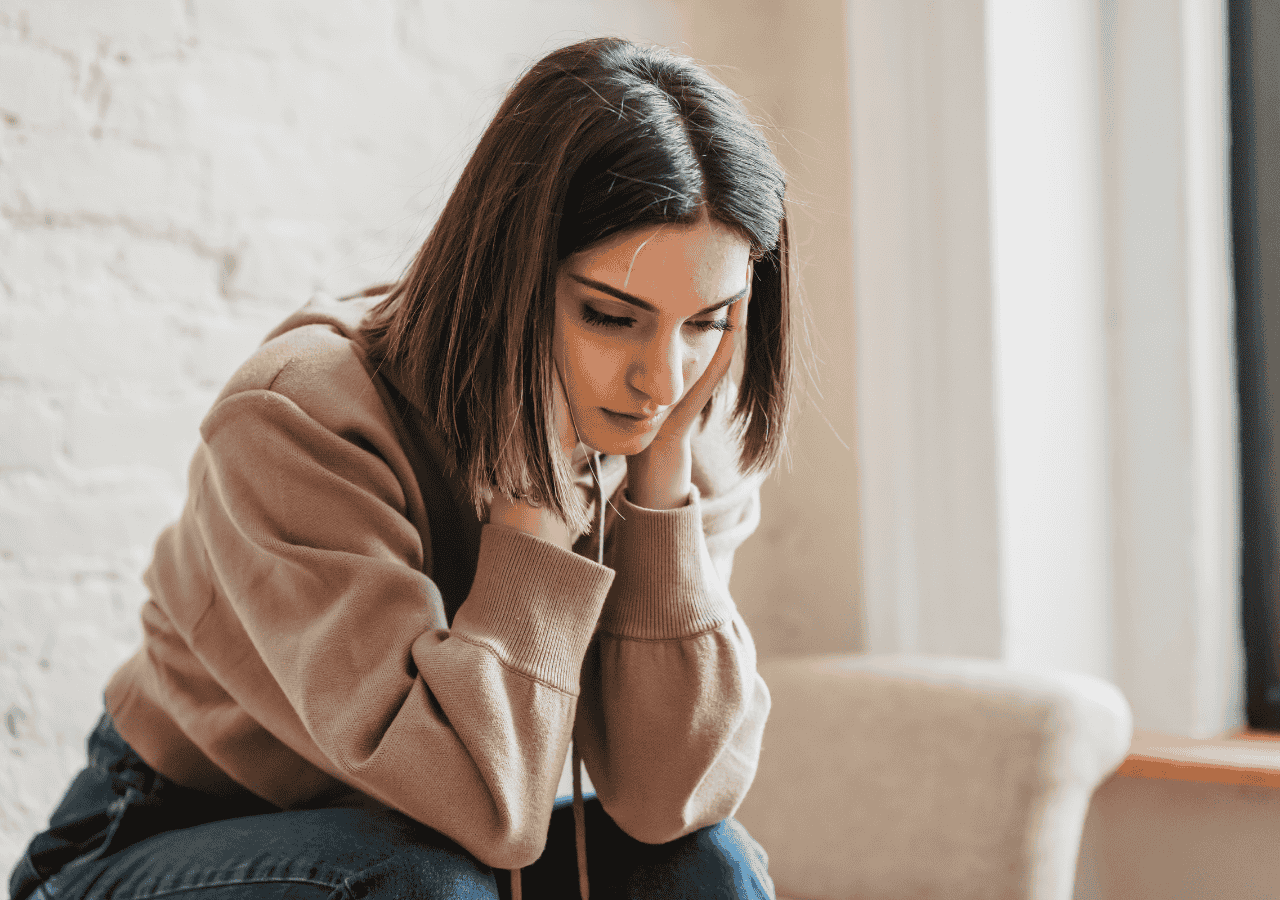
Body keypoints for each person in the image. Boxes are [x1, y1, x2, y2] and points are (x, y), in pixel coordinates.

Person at [10, 35, 799, 900]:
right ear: (511, 273)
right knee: (421, 882)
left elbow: (668, 801)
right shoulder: (301, 418)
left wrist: (662, 496)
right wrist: (534, 511)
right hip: (158, 835)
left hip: (437, 845)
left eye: (707, 322)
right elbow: (481, 808)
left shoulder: (676, 434)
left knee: (707, 866)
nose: (665, 379)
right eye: (612, 316)